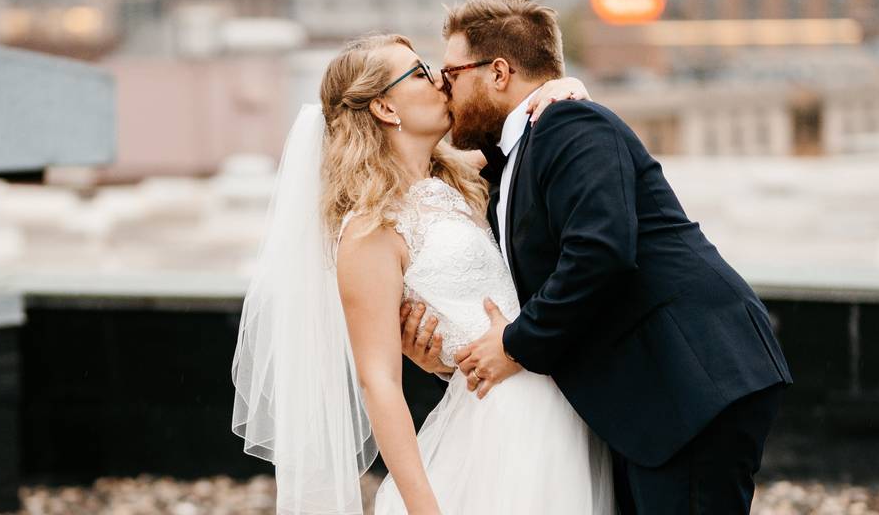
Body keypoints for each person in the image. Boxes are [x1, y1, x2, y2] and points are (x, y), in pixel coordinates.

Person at [422, 0, 793, 515]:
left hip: (690, 379)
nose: (445, 88)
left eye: (451, 72)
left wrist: (515, 344)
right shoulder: (519, 151)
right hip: (647, 395)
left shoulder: (571, 125)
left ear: (499, 72)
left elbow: (600, 252)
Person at [231, 32, 613, 514]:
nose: (440, 81)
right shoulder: (370, 230)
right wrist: (424, 508)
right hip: (501, 425)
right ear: (386, 109)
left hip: (561, 404)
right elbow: (379, 382)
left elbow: (526, 124)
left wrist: (562, 87)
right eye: (419, 73)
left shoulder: (458, 178)